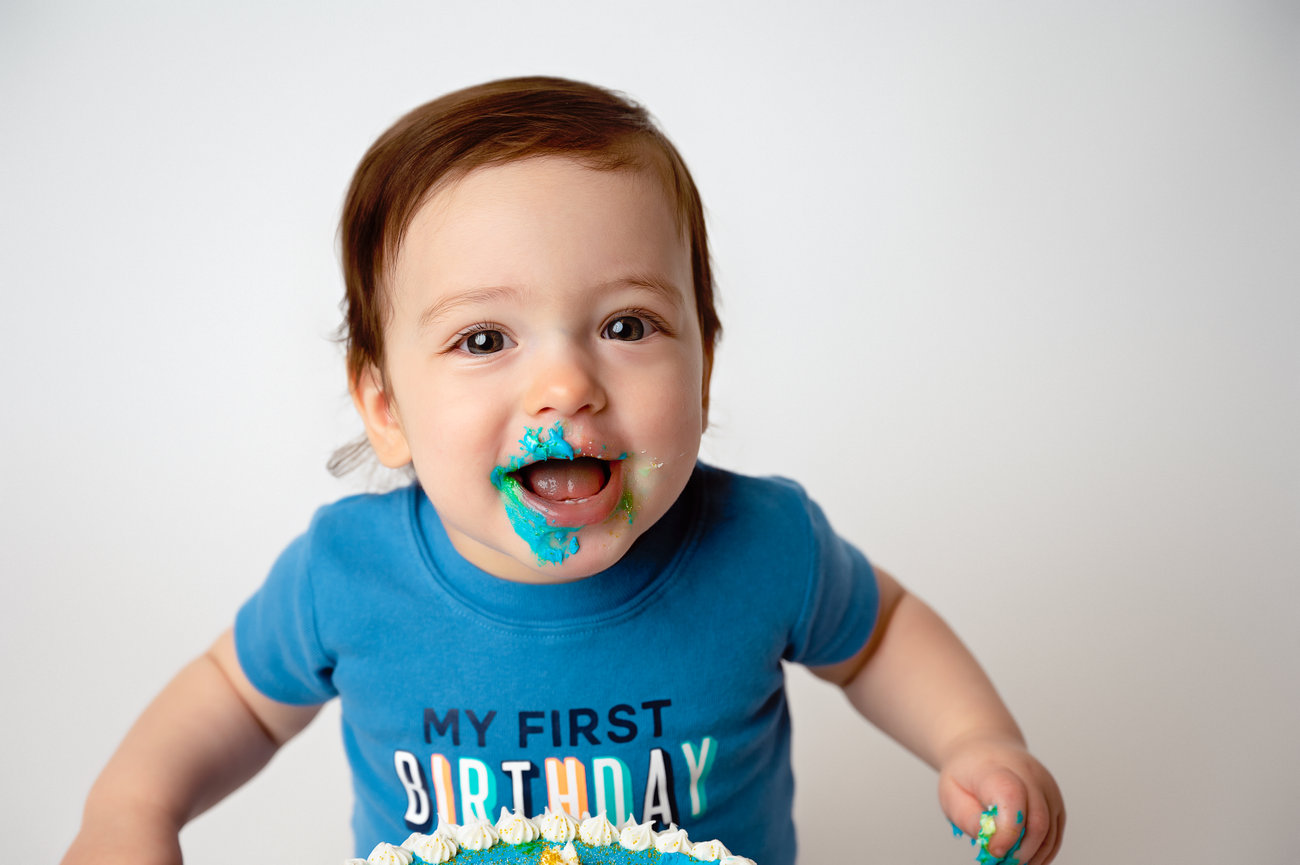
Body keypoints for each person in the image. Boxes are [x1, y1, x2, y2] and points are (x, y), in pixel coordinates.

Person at [61, 76, 1064, 865]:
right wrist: (131, 810)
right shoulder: (347, 575)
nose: (564, 384)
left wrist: (975, 738)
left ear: (704, 369)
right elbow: (234, 697)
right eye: (484, 337)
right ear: (385, 407)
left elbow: (879, 633)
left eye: (625, 325)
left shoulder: (762, 544)